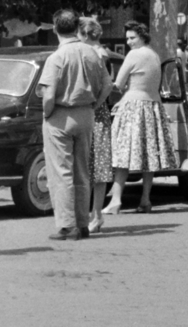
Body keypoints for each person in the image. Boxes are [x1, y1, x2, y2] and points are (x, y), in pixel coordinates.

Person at [39, 8, 111, 242]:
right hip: (86, 114)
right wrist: (93, 105)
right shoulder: (92, 53)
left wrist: (47, 113)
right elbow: (108, 85)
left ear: (56, 28)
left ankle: (67, 225)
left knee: (61, 173)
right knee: (82, 171)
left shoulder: (56, 57)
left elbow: (48, 94)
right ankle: (82, 224)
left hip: (61, 115)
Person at [106, 20, 178, 215]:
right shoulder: (154, 55)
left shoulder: (134, 55)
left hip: (133, 106)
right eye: (127, 38)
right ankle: (145, 199)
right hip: (153, 107)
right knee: (149, 156)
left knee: (122, 154)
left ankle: (116, 200)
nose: (129, 42)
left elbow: (118, 85)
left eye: (132, 38)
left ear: (142, 37)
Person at [78, 17, 117, 233]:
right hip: (97, 113)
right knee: (95, 167)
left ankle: (95, 214)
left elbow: (107, 85)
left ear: (84, 34)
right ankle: (94, 214)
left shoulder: (96, 54)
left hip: (95, 114)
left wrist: (95, 105)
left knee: (95, 166)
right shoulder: (100, 52)